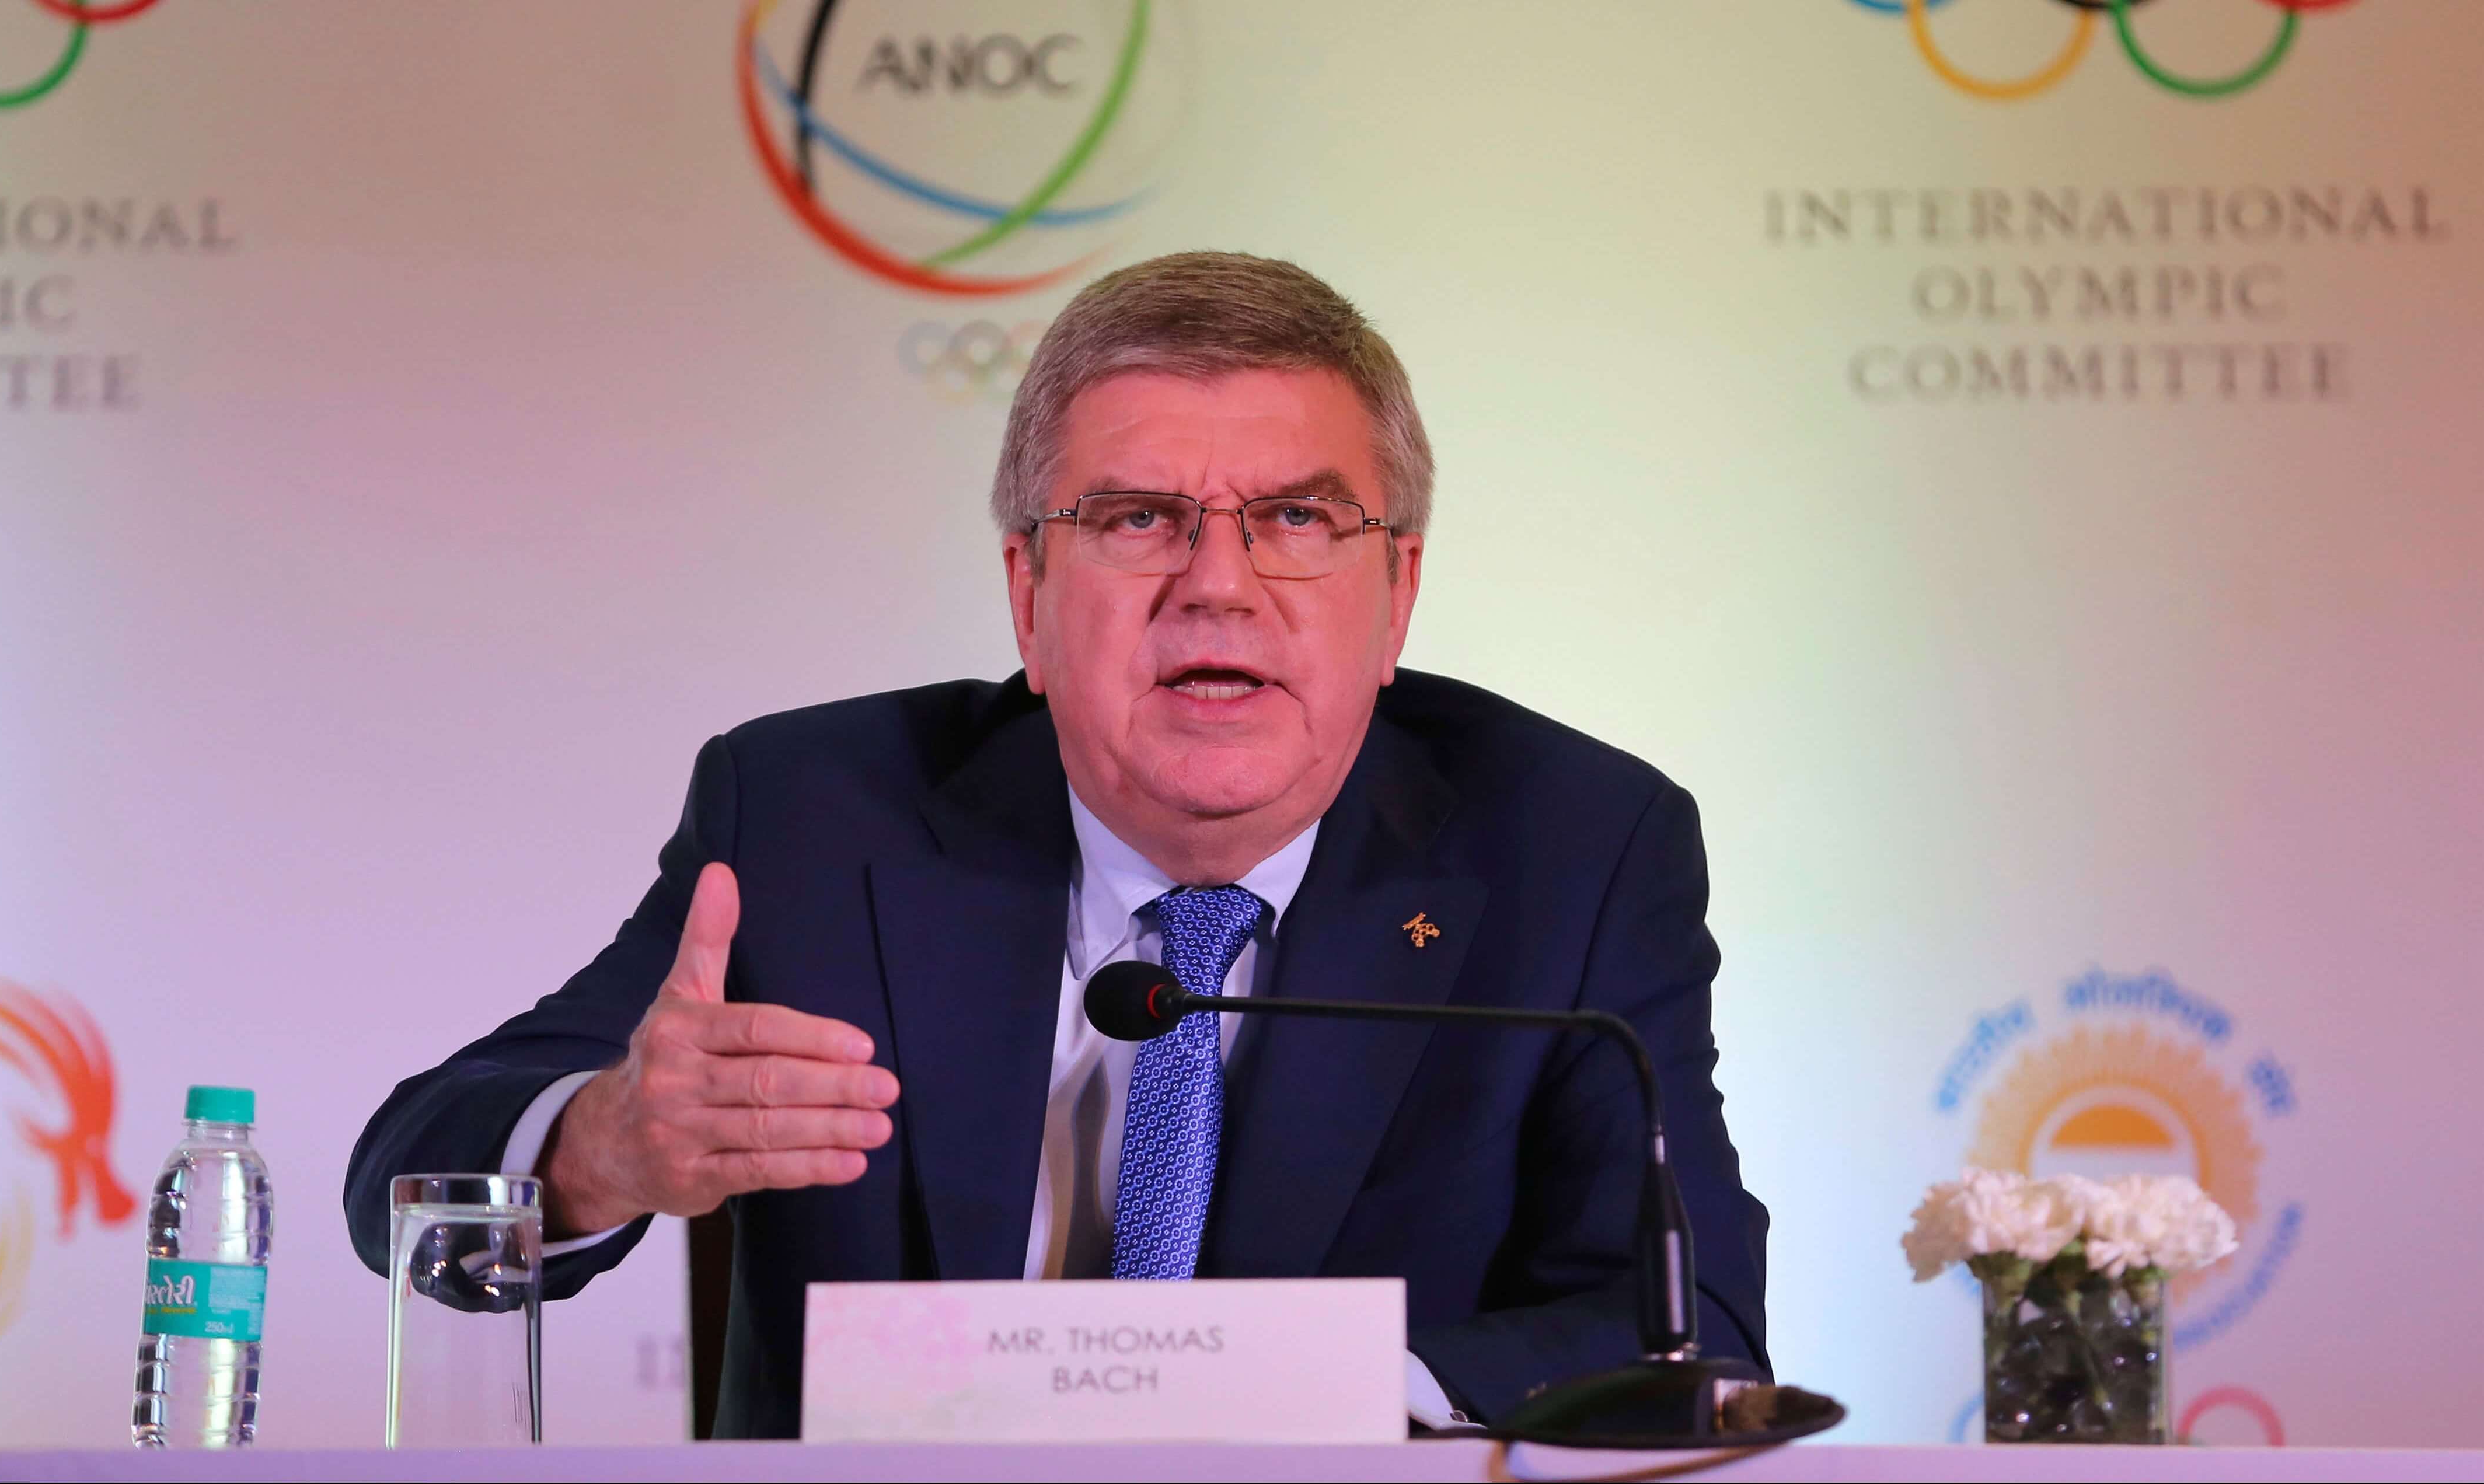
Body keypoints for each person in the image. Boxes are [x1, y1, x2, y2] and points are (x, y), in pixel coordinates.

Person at [347, 252, 1768, 1438]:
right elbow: (407, 1171)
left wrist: (1312, 1406)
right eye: (1136, 519)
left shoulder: (1571, 847)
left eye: (1295, 520)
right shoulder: (815, 814)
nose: (1218, 586)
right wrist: (600, 1145)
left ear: (1396, 593)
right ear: (1026, 591)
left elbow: (1687, 1331)